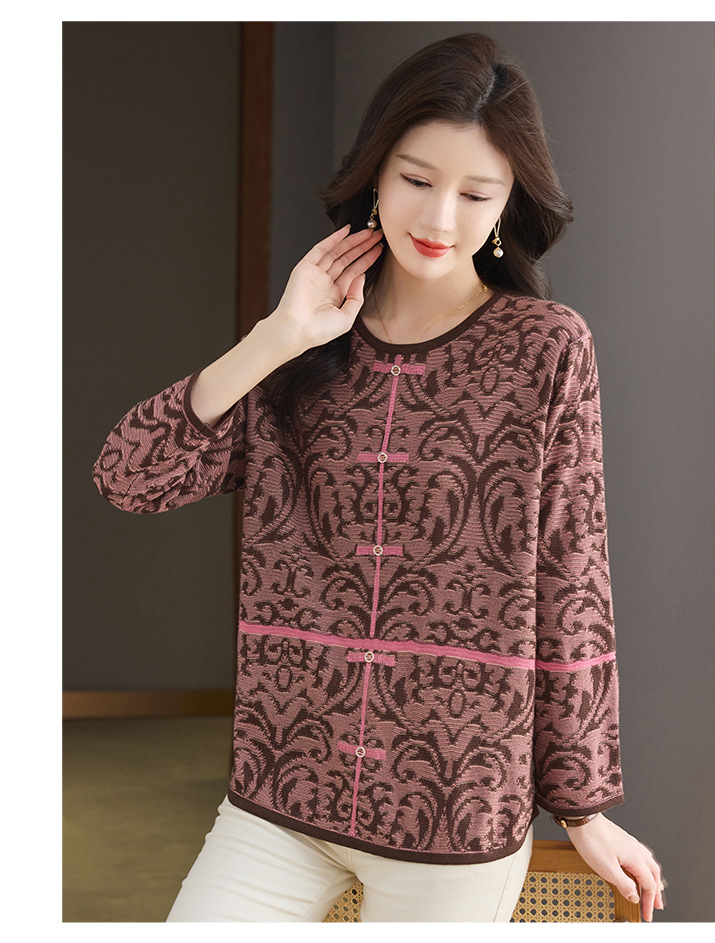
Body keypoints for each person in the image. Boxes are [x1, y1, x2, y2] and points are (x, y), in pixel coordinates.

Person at [92, 32, 665, 923]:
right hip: (280, 795)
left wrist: (583, 804)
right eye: (416, 179)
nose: (440, 218)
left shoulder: (547, 348)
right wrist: (277, 337)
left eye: (476, 193)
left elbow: (572, 573)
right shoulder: (300, 343)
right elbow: (129, 474)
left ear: (509, 202)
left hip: (456, 811)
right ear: (374, 173)